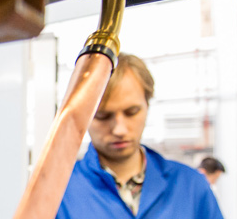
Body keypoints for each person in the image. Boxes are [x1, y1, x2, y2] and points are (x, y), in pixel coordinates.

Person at [56, 54, 223, 218]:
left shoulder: (191, 187)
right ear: (84, 115)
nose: (119, 130)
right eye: (103, 115)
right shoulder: (58, 193)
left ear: (147, 106)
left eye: (131, 112)